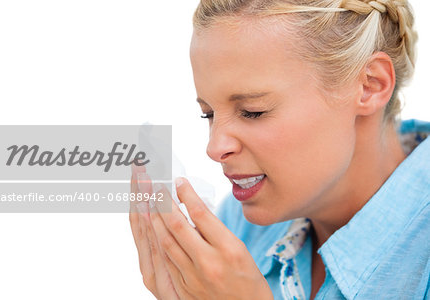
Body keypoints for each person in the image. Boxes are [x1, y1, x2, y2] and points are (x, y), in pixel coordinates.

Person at [129, 0, 430, 299]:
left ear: (370, 85)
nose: (215, 147)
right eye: (208, 114)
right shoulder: (240, 226)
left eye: (252, 111)